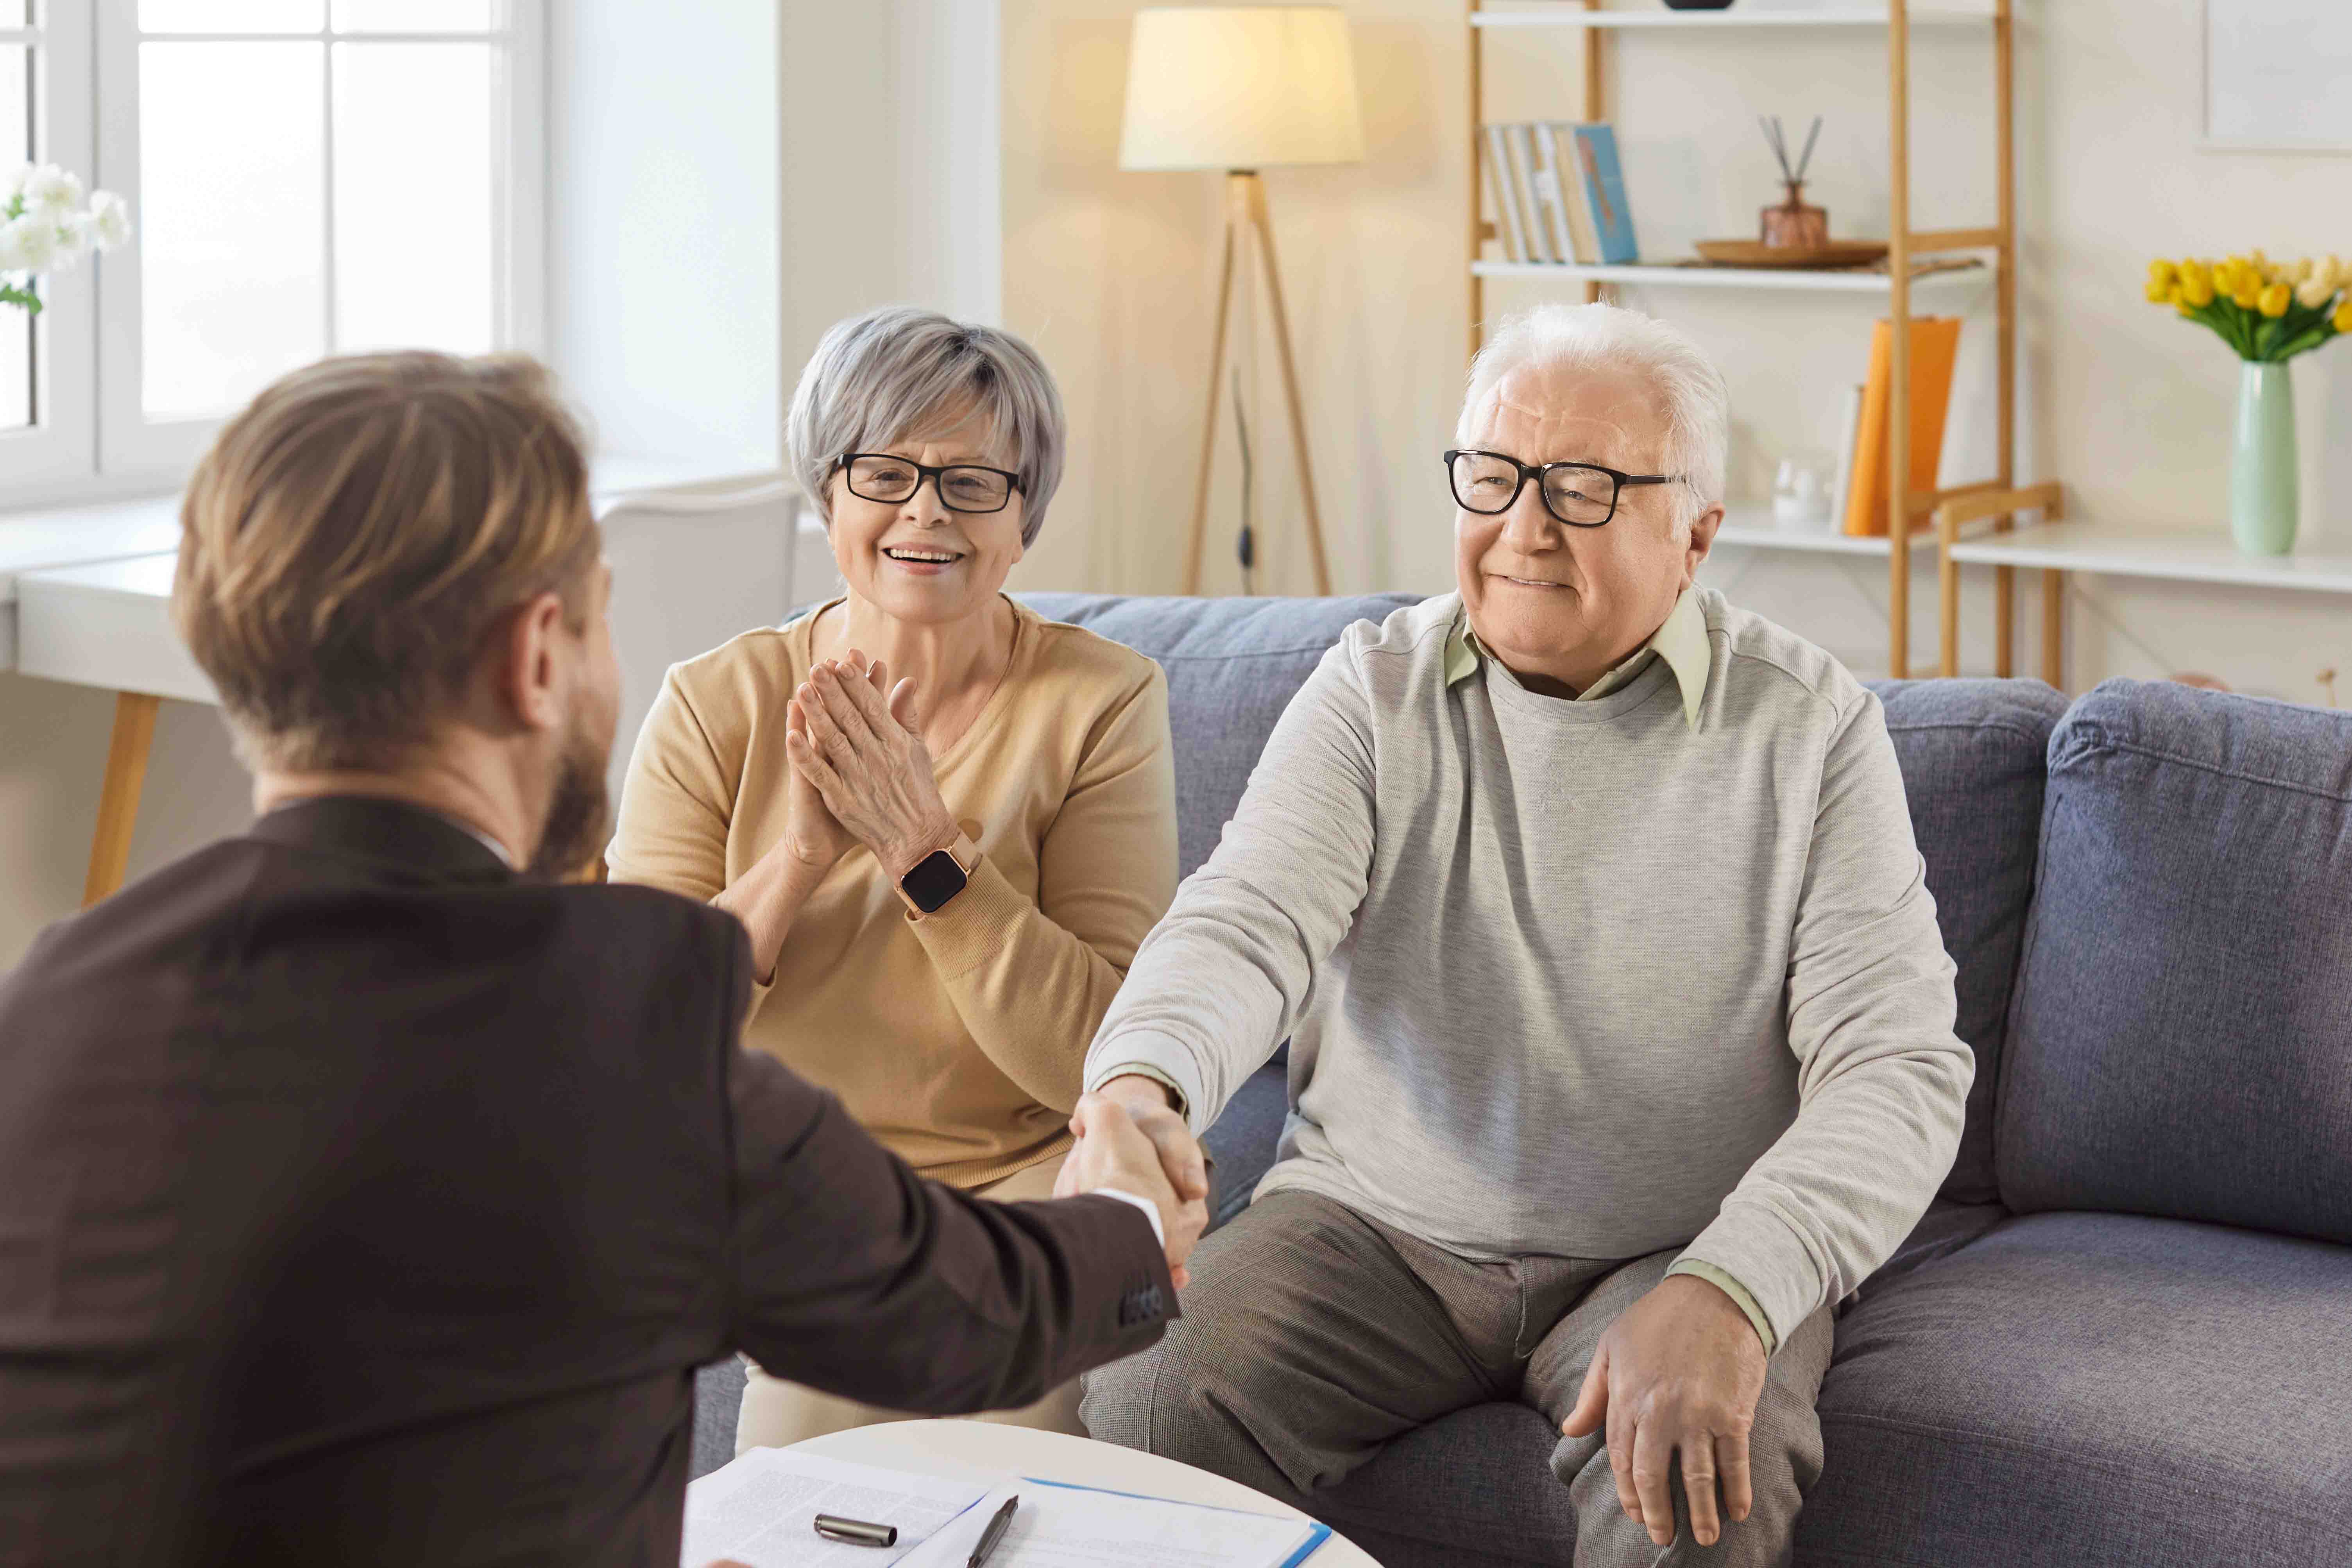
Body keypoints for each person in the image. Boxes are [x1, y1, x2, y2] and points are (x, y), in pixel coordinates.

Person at [0, 352, 1203, 1567]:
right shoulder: (604, 1023)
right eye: (598, 617)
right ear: (538, 658)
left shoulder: (55, 996)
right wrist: (1130, 1212)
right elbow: (969, 1315)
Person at [1074, 303, 1973, 1566]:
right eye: (1492, 476)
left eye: (1586, 486)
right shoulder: (1368, 690)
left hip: (1671, 1246)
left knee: (1695, 1495)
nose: (1522, 527)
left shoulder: (1810, 730)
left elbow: (1898, 1067)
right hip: (1370, 1228)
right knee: (1142, 1400)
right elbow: (1244, 918)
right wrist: (1140, 1085)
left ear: (1696, 534)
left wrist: (1731, 1287)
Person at [606, 306, 1185, 1449]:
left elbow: (1105, 1048)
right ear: (830, 502)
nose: (926, 509)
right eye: (886, 471)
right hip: (796, 1176)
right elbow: (636, 1034)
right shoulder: (715, 702)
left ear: (1023, 521)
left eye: (974, 481)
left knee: (1014, 1465)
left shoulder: (1103, 702)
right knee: (812, 1466)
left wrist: (928, 855)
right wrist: (805, 857)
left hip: (1027, 1176)